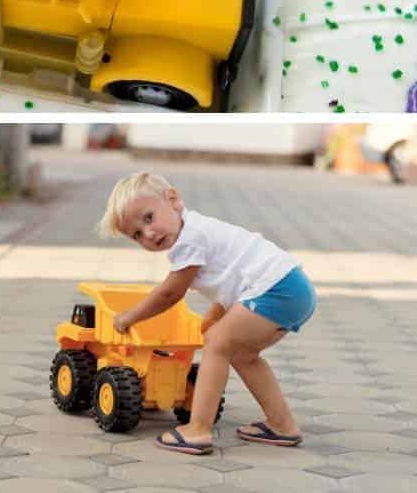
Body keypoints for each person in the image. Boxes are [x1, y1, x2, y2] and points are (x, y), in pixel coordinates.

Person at [98, 171, 316, 455]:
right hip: (291, 288)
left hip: (278, 288)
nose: (148, 234)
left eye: (149, 218)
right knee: (242, 354)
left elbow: (169, 293)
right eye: (137, 234)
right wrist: (217, 312)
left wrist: (129, 317)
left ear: (172, 200)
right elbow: (231, 277)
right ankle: (281, 425)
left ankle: (198, 429)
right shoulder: (197, 229)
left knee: (216, 343)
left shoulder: (190, 239)